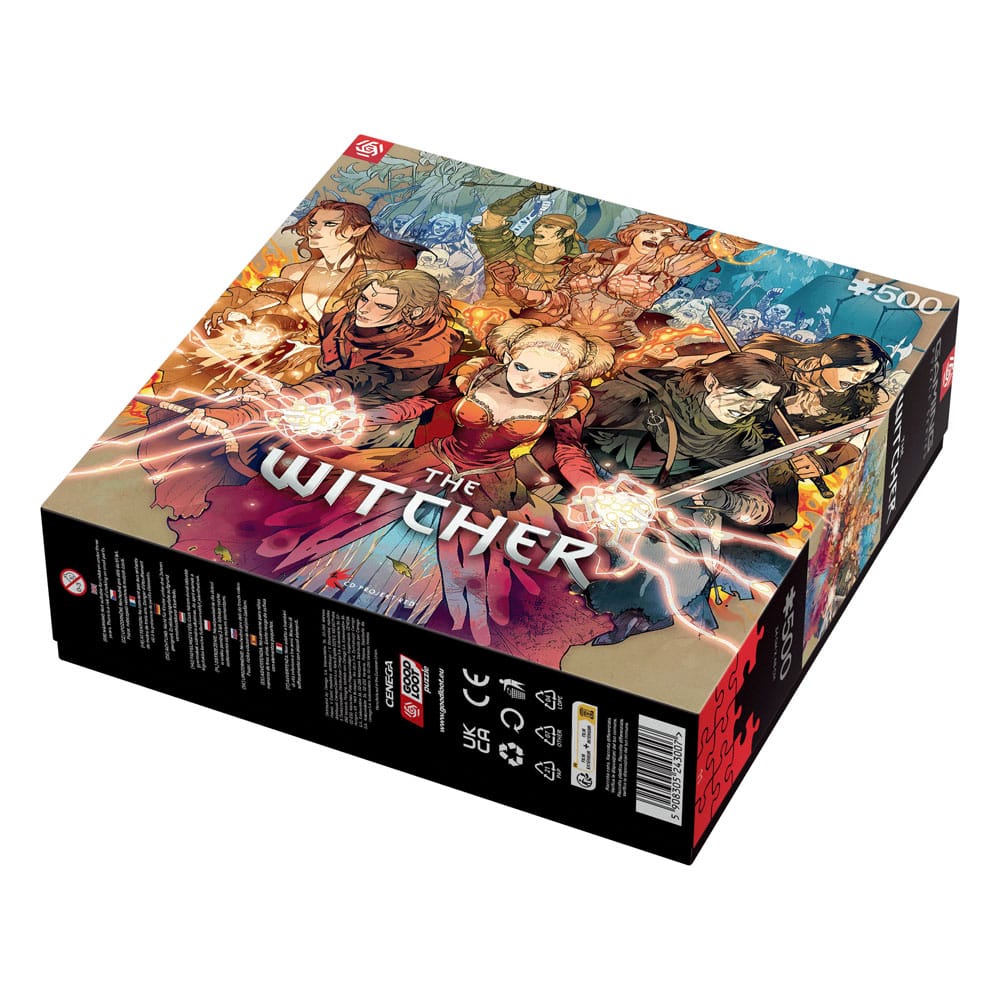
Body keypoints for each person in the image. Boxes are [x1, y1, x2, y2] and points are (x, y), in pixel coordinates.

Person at [169, 322, 616, 652]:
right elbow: (420, 403)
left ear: (565, 377)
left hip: (490, 483)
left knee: (465, 565)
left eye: (546, 376)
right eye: (522, 367)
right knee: (346, 519)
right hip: (428, 461)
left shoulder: (566, 402)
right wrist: (361, 417)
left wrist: (592, 488)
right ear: (508, 355)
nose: (529, 380)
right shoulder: (476, 375)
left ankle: (414, 627)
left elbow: (568, 451)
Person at [138, 270, 461, 518]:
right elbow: (329, 371)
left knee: (281, 461)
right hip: (320, 397)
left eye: (382, 306)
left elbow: (348, 383)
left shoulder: (421, 352)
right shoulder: (344, 320)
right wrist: (276, 390)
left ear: (414, 313)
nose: (365, 309)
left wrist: (248, 412)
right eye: (365, 298)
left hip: (375, 421)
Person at [487, 213, 757, 364]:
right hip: (561, 331)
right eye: (651, 231)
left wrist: (721, 246)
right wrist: (510, 286)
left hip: (616, 343)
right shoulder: (589, 261)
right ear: (634, 233)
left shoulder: (664, 269)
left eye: (667, 237)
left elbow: (696, 257)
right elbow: (558, 301)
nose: (657, 238)